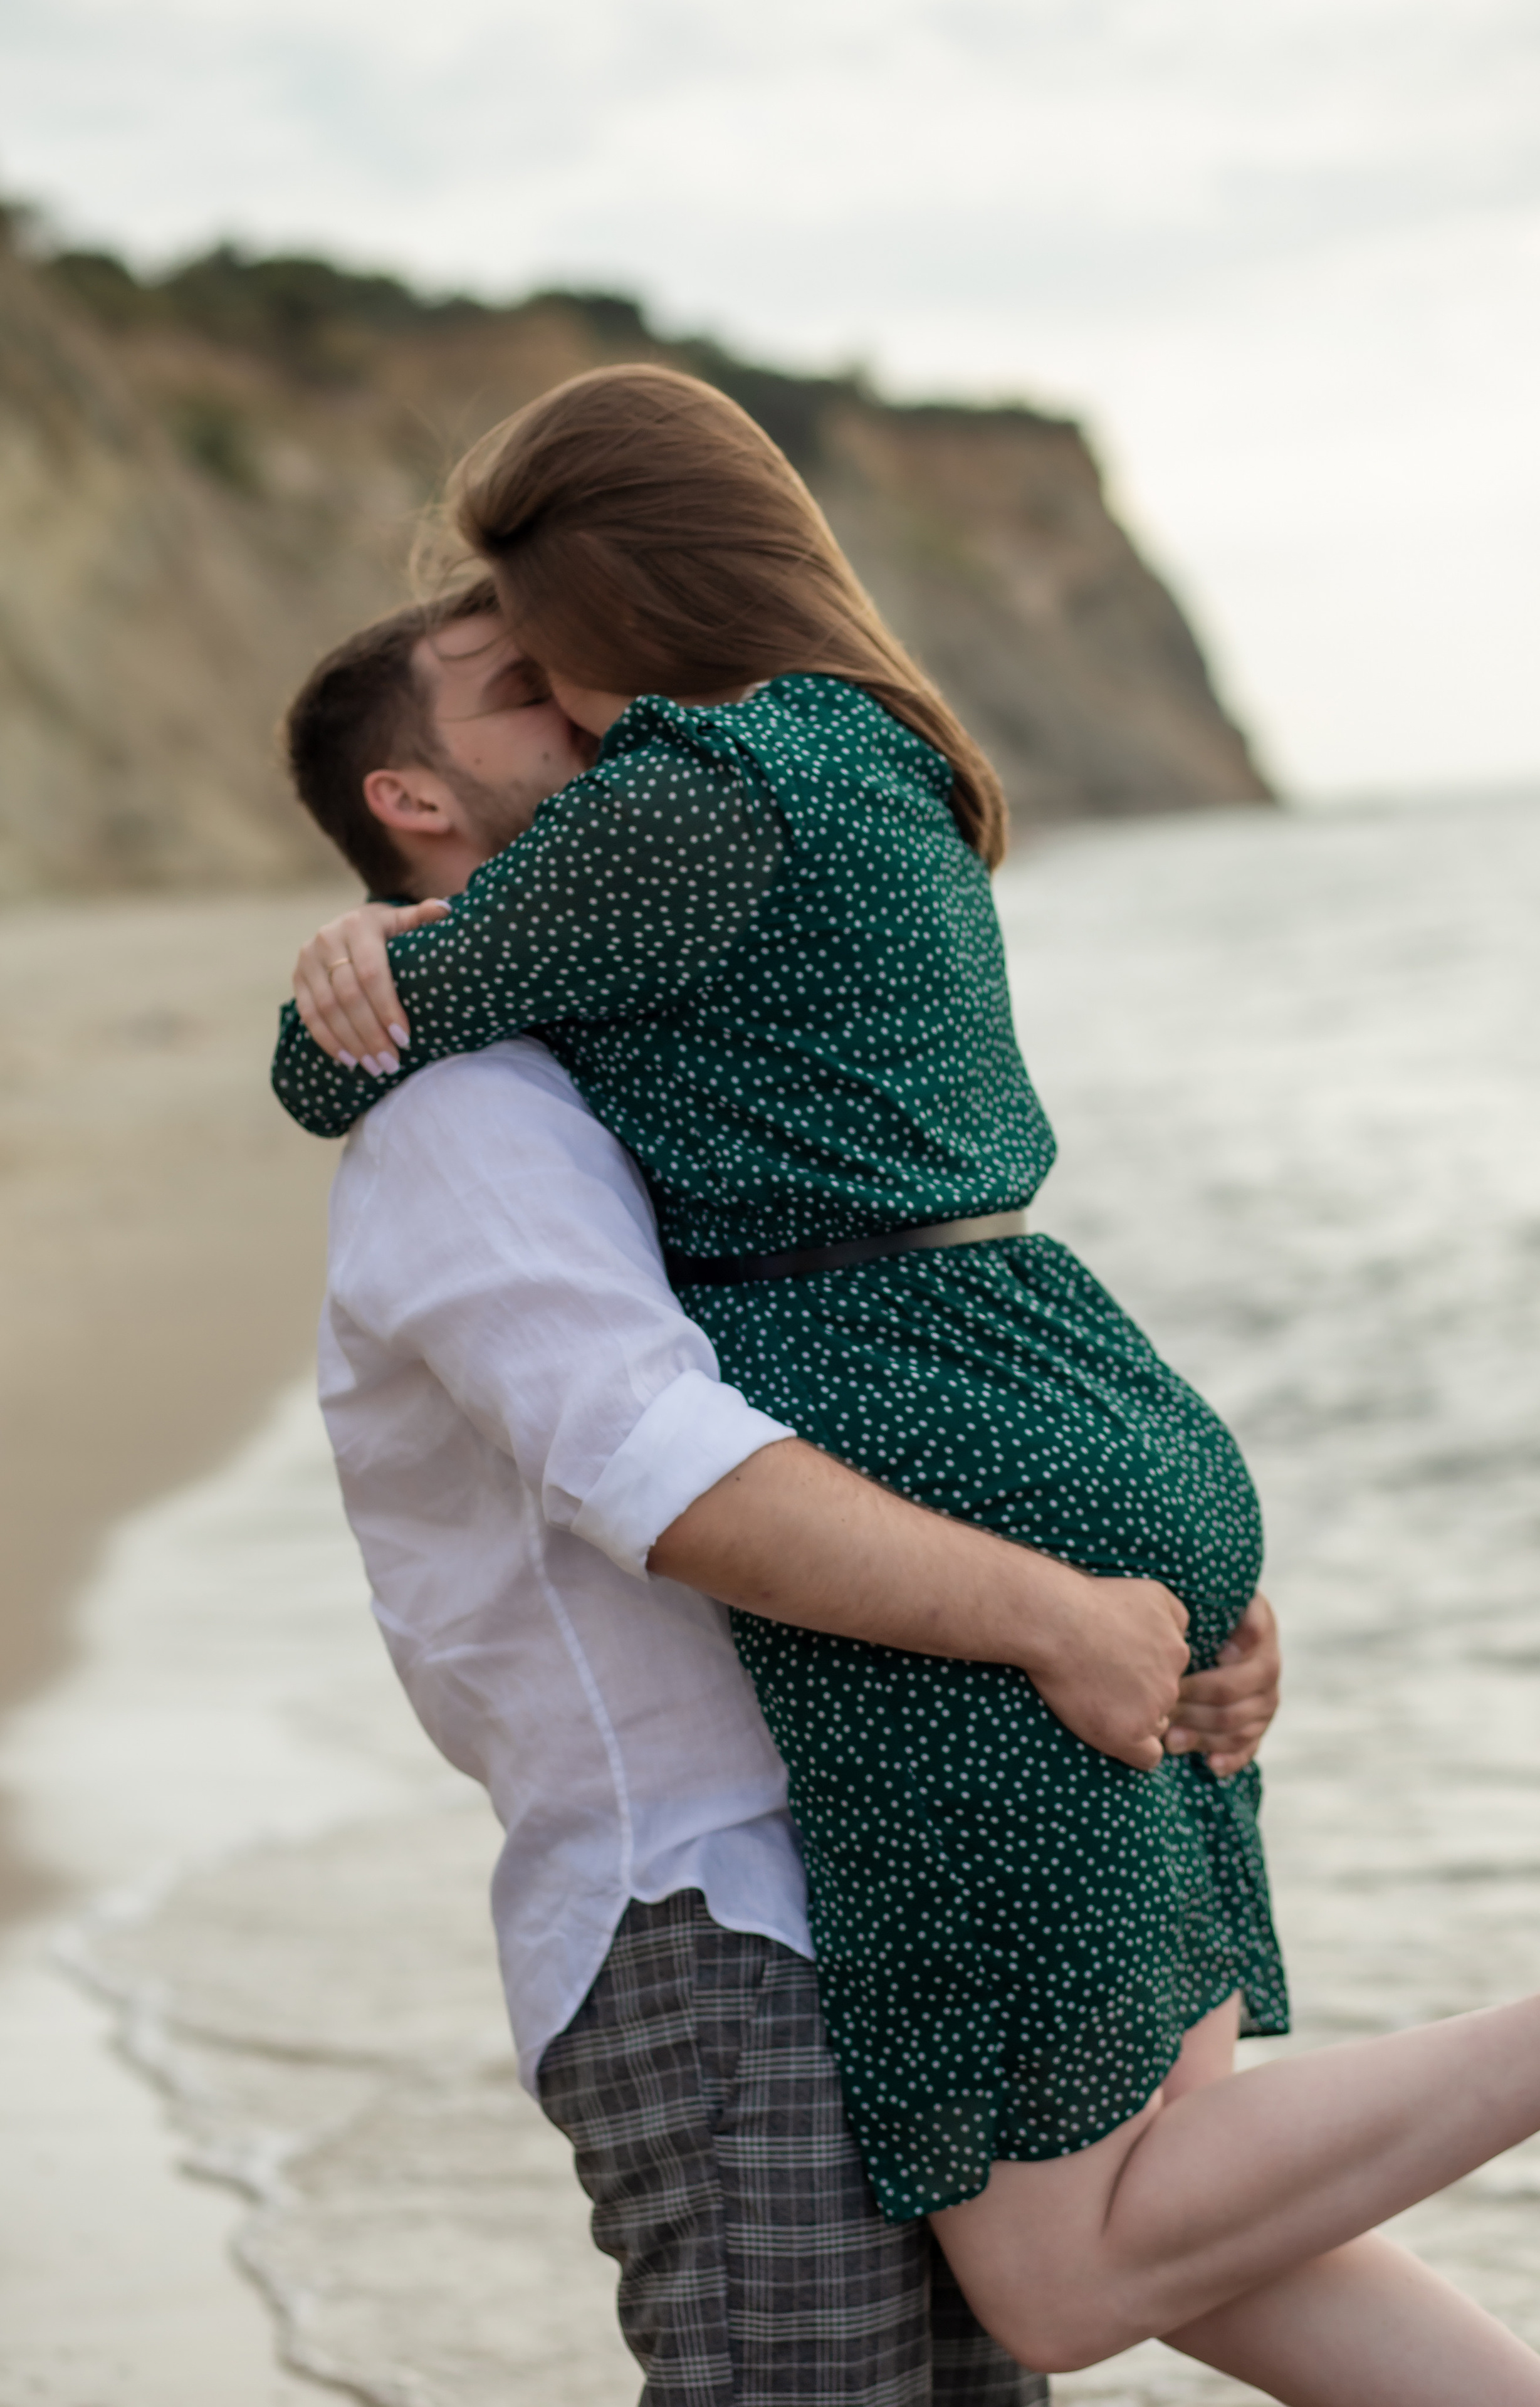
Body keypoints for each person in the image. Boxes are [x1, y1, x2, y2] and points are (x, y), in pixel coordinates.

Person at [276, 369, 1540, 2401]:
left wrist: (347, 989)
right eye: (513, 691)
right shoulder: (824, 811)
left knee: (1070, 2274)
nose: (570, 701)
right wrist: (1108, 1586)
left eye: (552, 652)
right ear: (413, 802)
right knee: (1162, 2217)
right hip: (1018, 1467)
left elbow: (651, 1427)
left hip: (909, 1651)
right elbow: (669, 1436)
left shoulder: (684, 816)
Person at [287, 589, 1282, 2407]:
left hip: (909, 1858)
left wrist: (1172, 1601)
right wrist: (1066, 1618)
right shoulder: (466, 1117)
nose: (609, 717)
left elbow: (892, 1373)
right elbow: (663, 1476)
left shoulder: (664, 1059)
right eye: (524, 694)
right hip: (717, 1905)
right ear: (412, 802)